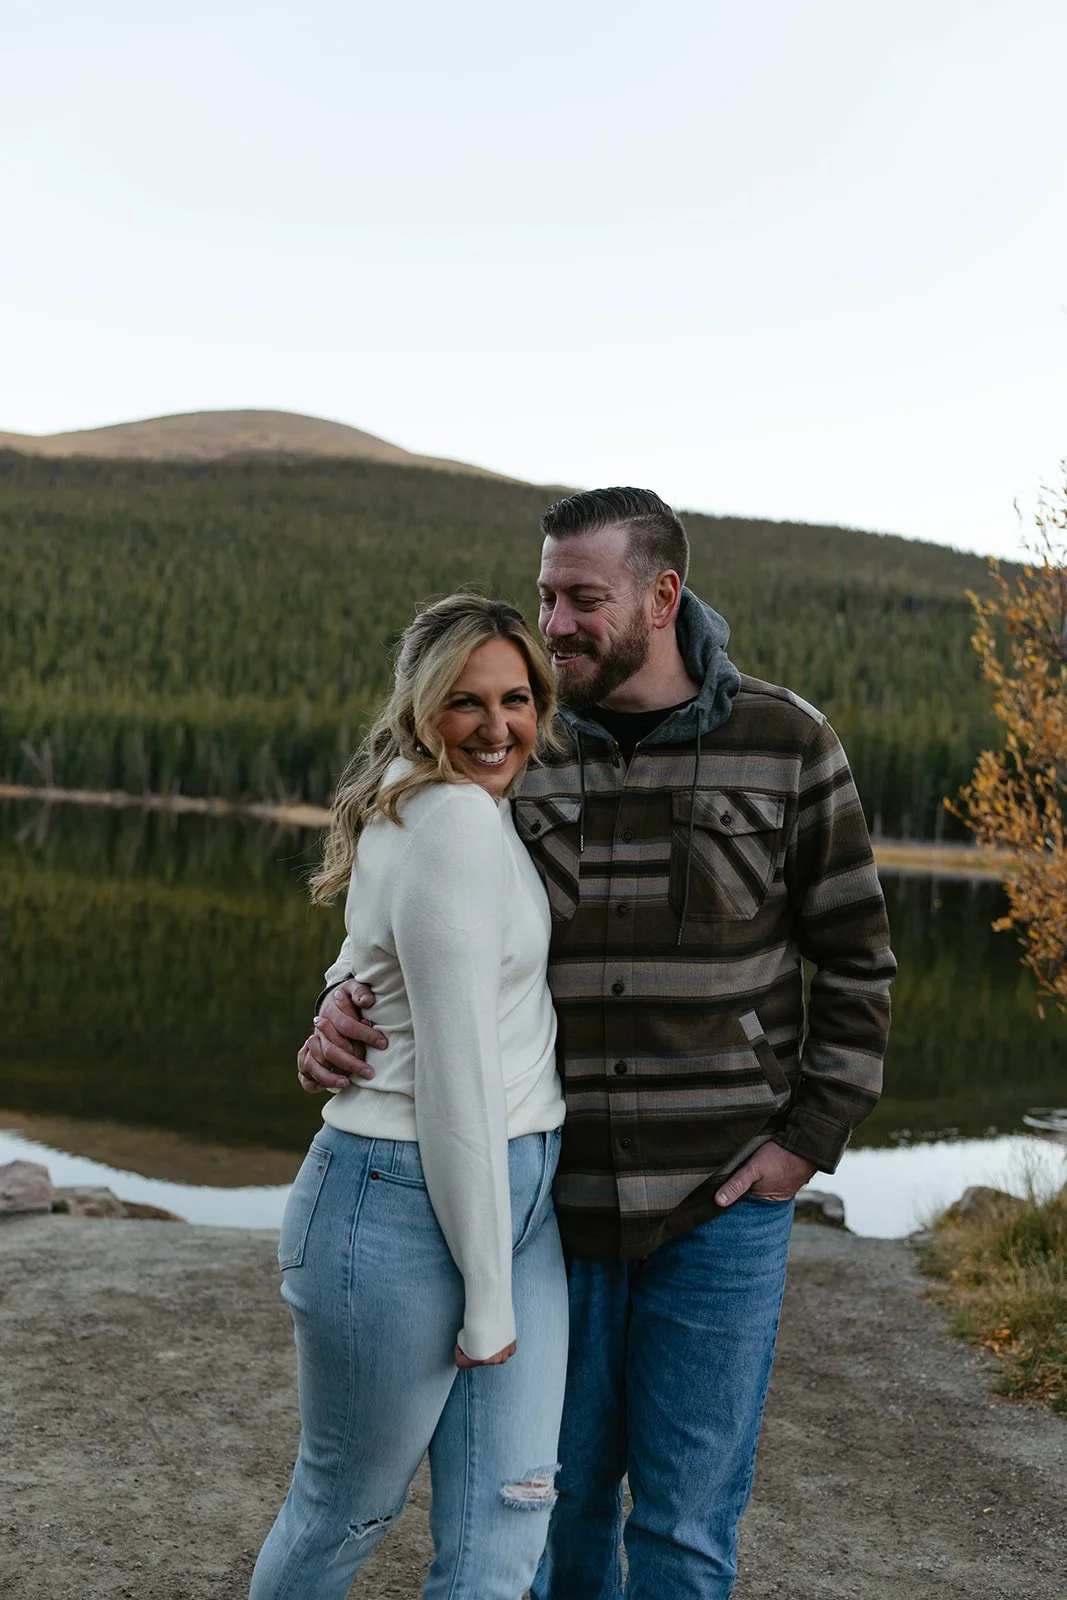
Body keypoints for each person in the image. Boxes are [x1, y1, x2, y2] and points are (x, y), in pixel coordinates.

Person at [300, 488, 896, 1600]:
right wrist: (342, 991)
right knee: (547, 1504)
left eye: (581, 599)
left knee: (681, 1527)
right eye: (544, 597)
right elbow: (413, 890)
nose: (554, 624)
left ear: (661, 596)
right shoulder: (519, 741)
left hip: (718, 1207)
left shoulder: (786, 741)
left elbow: (857, 961)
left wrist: (805, 1141)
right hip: (550, 1206)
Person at [251, 594, 569, 1600]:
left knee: (507, 1521)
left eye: (515, 699)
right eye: (463, 702)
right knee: (346, 1509)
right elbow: (457, 1077)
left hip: (513, 1194)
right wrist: (486, 1294)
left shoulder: (450, 808)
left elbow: (366, 958)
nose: (494, 725)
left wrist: (332, 1000)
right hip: (401, 1201)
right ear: (421, 707)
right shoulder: (448, 822)